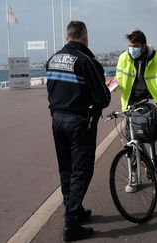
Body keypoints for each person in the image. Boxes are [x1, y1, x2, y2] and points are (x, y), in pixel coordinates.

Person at [46, 21, 111, 242]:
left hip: (57, 120)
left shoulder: (53, 59)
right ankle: (71, 222)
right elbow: (102, 98)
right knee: (82, 171)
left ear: (67, 37)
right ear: (84, 37)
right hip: (79, 123)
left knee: (66, 169)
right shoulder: (86, 61)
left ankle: (76, 209)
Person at [114, 30, 157, 190]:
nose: (131, 49)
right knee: (132, 139)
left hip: (153, 102)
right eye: (129, 46)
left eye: (134, 46)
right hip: (131, 104)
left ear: (143, 46)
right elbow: (119, 81)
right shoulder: (123, 58)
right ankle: (134, 174)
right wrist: (111, 86)